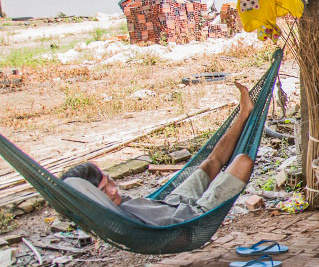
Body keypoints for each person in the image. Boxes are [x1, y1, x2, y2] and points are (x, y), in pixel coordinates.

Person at [60, 82, 256, 226]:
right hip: (192, 218)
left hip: (170, 204)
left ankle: (244, 113)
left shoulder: (114, 211)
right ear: (92, 200)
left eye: (109, 181)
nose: (113, 190)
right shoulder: (119, 218)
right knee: (242, 161)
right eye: (103, 191)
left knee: (209, 164)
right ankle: (244, 115)